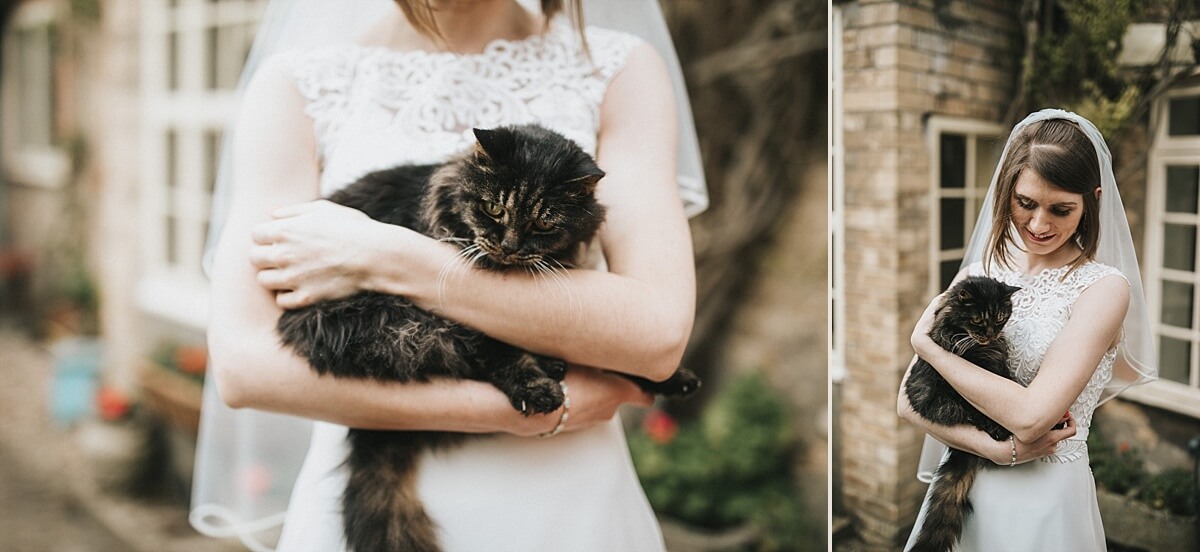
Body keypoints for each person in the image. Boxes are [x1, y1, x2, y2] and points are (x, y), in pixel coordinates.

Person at [189, 1, 708, 551]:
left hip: (564, 499)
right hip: (456, 432)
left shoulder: (620, 66)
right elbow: (244, 368)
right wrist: (523, 413)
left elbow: (658, 336)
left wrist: (388, 257)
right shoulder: (298, 80)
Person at [896, 109, 1156, 551]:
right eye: (1026, 203)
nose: (1039, 225)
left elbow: (1032, 417)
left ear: (1092, 200)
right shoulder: (980, 275)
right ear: (1006, 192)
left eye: (1061, 209)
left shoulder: (1103, 289)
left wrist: (927, 346)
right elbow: (908, 402)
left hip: (1047, 499)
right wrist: (996, 451)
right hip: (963, 492)